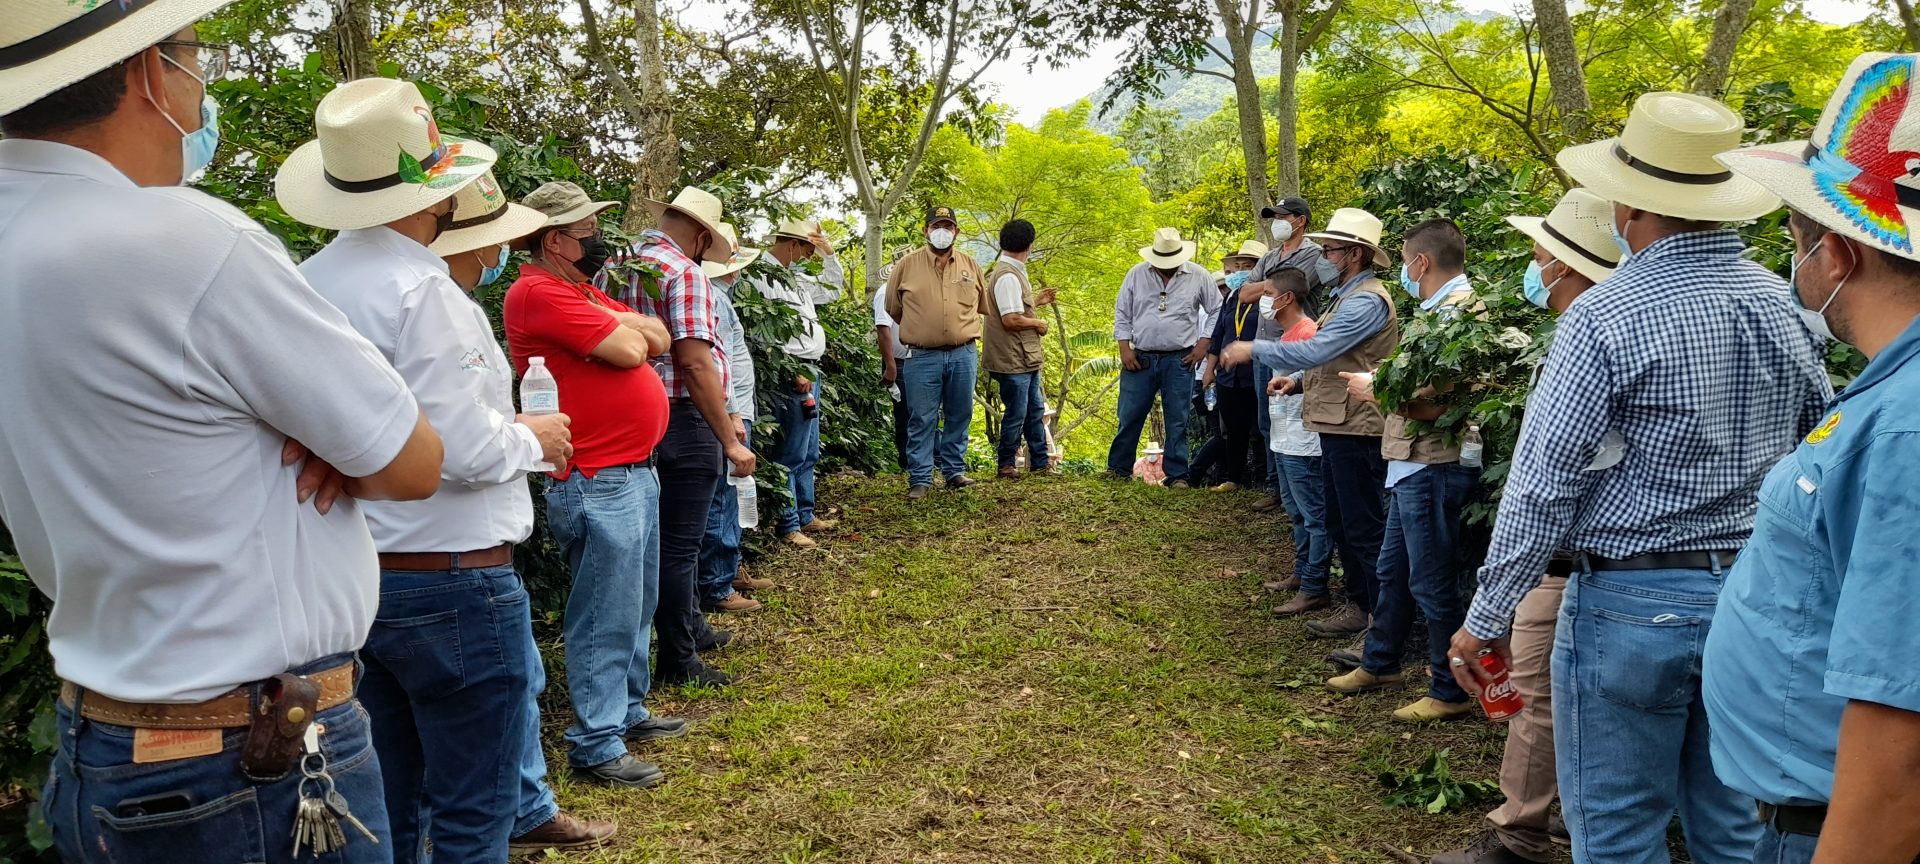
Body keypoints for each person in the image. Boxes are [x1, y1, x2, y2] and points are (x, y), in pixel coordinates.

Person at [0, 6, 445, 860]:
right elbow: (411, 461)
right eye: (194, 58)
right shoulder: (181, 238)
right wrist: (329, 439)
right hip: (247, 761)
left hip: (102, 739)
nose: (201, 87)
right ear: (144, 74)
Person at [1447, 92, 1831, 864]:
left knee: (1619, 832)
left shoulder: (1605, 315)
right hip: (1749, 597)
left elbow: (1546, 481)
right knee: (1728, 825)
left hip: (1629, 604)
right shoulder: (1785, 304)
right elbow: (1814, 451)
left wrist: (1488, 614)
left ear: (1628, 204)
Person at [282, 85, 606, 860]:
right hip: (454, 579)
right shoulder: (423, 291)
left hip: (357, 581)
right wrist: (532, 438)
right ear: (436, 196)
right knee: (473, 810)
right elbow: (458, 449)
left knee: (390, 799)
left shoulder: (308, 284)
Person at [1702, 51, 1920, 864]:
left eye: (1794, 239)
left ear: (1837, 254)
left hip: (1839, 829)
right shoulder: (1891, 398)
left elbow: (1902, 736)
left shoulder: (1906, 429)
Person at [430, 173, 617, 854]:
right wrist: (526, 438)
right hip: (451, 555)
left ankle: (529, 806)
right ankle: (515, 814)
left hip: (465, 548)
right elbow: (458, 441)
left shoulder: (447, 301)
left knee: (513, 688)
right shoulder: (431, 304)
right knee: (490, 706)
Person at [1431, 188, 1619, 864]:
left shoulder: (1592, 333)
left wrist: (1488, 610)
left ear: (1564, 266)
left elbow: (1544, 488)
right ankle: (1547, 828)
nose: (1533, 264)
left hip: (1584, 562)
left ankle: (1544, 832)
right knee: (1556, 700)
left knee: (1551, 699)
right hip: (1605, 568)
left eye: (1540, 253)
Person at [505, 180, 683, 789]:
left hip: (631, 470)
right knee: (604, 611)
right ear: (555, 240)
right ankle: (596, 740)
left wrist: (632, 330)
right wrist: (632, 331)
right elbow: (636, 350)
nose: (597, 241)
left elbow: (653, 335)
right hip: (596, 476)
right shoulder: (538, 293)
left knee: (634, 601)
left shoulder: (575, 288)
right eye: (586, 233)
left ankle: (626, 712)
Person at [1324, 219, 1481, 723]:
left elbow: (1444, 405)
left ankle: (1449, 688)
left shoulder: (1459, 316)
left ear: (1421, 263)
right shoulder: (1436, 311)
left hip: (1434, 463)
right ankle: (1381, 662)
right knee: (1393, 571)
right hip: (1409, 463)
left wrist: (1378, 390)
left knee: (1431, 581)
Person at [1222, 208, 1399, 642]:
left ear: (1354, 254)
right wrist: (1297, 383)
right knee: (1342, 523)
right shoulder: (1346, 296)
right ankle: (1361, 606)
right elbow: (1332, 358)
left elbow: (1319, 347)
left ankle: (1380, 620)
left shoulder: (1366, 301)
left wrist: (1253, 349)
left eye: (1333, 249)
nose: (1326, 256)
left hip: (1358, 426)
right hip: (1337, 423)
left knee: (1362, 527)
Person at [607, 186, 756, 687]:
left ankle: (690, 624)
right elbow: (694, 361)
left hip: (633, 412)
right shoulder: (684, 272)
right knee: (680, 544)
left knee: (660, 537)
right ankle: (678, 655)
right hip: (684, 417)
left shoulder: (619, 263)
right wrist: (730, 437)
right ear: (698, 236)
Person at [886, 205, 988, 499]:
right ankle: (920, 478)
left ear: (956, 231)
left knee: (960, 413)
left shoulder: (970, 265)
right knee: (921, 417)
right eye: (936, 226)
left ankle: (954, 471)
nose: (941, 231)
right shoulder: (906, 266)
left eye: (947, 226)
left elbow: (981, 306)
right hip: (922, 355)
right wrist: (922, 329)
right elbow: (894, 308)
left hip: (963, 353)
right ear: (926, 230)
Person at [1109, 227, 1222, 487]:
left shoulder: (1198, 275)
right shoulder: (1136, 274)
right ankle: (1118, 469)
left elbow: (1217, 309)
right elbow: (1122, 312)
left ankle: (1177, 474)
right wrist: (1124, 348)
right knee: (1130, 414)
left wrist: (1204, 343)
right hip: (1141, 355)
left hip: (1180, 357)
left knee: (1178, 417)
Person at [698, 226, 774, 614]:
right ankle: (717, 584)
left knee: (733, 495)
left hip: (738, 410)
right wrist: (731, 415)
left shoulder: (719, 297)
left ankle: (729, 569)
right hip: (731, 415)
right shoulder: (710, 298)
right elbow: (713, 362)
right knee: (722, 499)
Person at [757, 218, 845, 547]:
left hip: (810, 371)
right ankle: (787, 523)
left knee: (808, 450)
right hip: (792, 374)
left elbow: (832, 289)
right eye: (806, 250)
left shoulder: (795, 279)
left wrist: (828, 252)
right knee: (790, 452)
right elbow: (763, 331)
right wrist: (792, 367)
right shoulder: (762, 278)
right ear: (792, 245)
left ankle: (805, 514)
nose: (808, 257)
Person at [1246, 197, 1336, 511]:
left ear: (1300, 220)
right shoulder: (1271, 254)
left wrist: (1264, 283)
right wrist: (1269, 284)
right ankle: (1277, 487)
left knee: (1294, 417)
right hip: (1265, 345)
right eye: (1273, 217)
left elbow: (1292, 288)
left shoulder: (1314, 255)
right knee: (1268, 419)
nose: (1276, 222)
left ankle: (1299, 491)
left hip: (1297, 345)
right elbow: (1244, 293)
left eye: (1282, 216)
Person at [1260, 269, 1332, 607]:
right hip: (1283, 438)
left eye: (1267, 292)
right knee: (1296, 511)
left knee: (1315, 516)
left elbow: (1316, 381)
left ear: (1286, 298)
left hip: (1304, 441)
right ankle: (1302, 572)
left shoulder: (1310, 333)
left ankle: (1315, 586)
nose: (1263, 299)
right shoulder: (1286, 335)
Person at [984, 218, 1057, 479]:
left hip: (1024, 358)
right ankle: (1006, 464)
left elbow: (1015, 308)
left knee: (1035, 409)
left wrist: (1036, 302)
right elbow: (1010, 319)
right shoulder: (1007, 276)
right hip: (1013, 359)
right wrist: (1038, 322)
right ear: (1029, 245)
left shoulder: (1011, 272)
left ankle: (1039, 462)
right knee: (1017, 412)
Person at [1203, 241, 1270, 491]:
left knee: (1260, 428)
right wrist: (1210, 369)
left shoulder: (1267, 299)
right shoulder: (1231, 297)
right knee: (1232, 428)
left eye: (1247, 266)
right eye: (1237, 266)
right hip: (1228, 374)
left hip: (1257, 371)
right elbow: (1219, 334)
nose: (1240, 271)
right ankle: (1233, 478)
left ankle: (1265, 480)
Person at [873, 262, 912, 471]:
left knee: (926, 413)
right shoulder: (885, 292)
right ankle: (907, 463)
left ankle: (933, 460)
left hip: (917, 358)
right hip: (898, 361)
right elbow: (883, 328)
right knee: (905, 414)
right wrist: (890, 365)